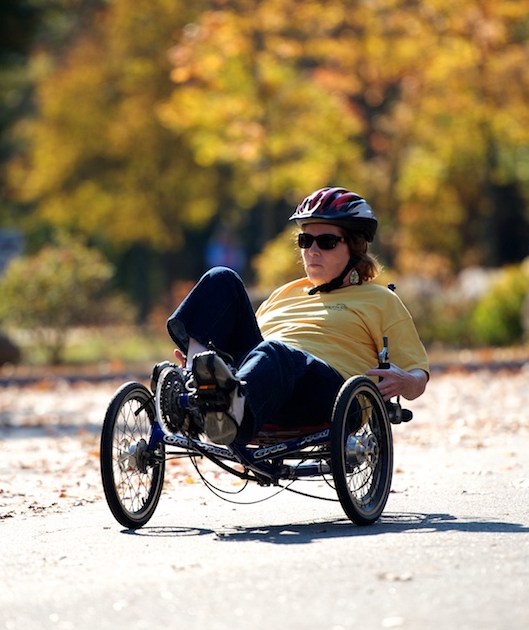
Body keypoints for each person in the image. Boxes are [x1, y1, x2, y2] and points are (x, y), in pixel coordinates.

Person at [161, 186, 429, 445]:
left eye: (326, 242)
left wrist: (406, 381)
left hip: (329, 395)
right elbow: (254, 350)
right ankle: (194, 384)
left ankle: (231, 410)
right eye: (305, 240)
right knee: (221, 278)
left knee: (276, 351)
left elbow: (417, 375)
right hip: (264, 382)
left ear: (355, 247)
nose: (312, 251)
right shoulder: (284, 293)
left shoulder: (379, 299)